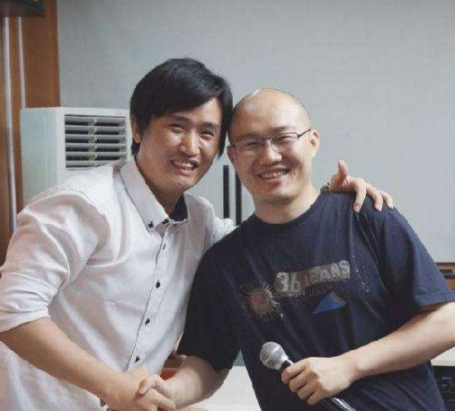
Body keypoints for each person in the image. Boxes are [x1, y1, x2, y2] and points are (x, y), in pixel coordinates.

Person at [0, 59, 390, 411]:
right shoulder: (82, 205)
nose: (191, 147)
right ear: (137, 126)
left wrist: (325, 202)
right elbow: (12, 312)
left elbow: (273, 240)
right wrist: (112, 386)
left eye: (207, 133)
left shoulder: (201, 223)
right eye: (176, 126)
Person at [148, 88, 455, 410]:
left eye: (283, 138)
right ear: (234, 156)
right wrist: (166, 394)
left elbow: (446, 321)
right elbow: (208, 364)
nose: (269, 156)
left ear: (312, 141)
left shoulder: (366, 216)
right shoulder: (224, 263)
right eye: (251, 143)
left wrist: (349, 366)